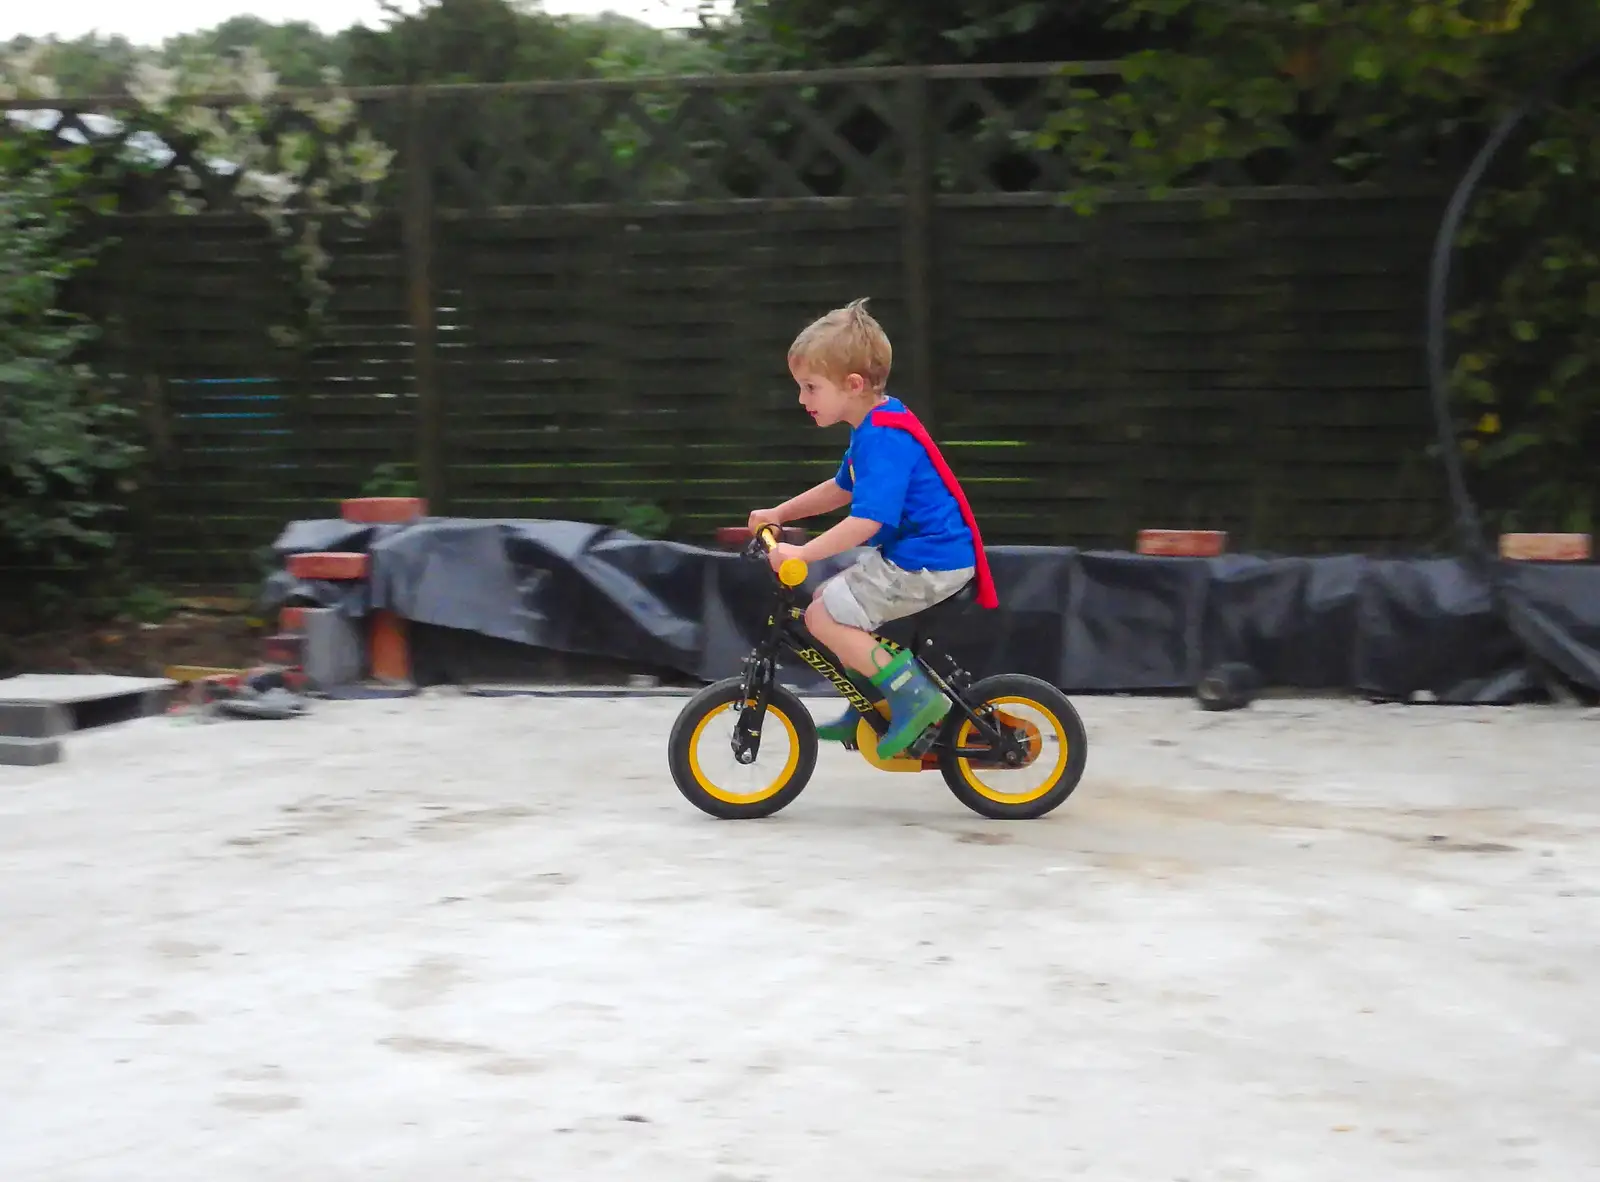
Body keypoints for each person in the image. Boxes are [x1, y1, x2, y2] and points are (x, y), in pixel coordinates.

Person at [748, 298, 998, 760]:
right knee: (825, 605)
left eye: (810, 387)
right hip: (919, 556)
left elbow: (869, 520)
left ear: (853, 384)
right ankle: (874, 702)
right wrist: (780, 513)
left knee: (824, 617)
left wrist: (803, 555)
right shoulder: (873, 426)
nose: (802, 399)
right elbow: (842, 488)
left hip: (929, 561)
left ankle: (914, 698)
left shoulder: (884, 438)